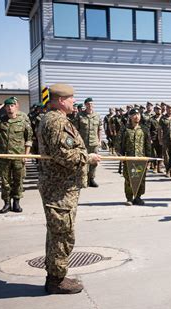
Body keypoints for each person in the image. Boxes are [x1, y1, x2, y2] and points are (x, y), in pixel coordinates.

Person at [37, 83, 101, 294]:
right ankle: (56, 280)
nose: (74, 102)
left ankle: (56, 275)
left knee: (58, 232)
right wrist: (88, 158)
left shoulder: (54, 119)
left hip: (59, 186)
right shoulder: (56, 122)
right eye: (71, 99)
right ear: (61, 101)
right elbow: (63, 154)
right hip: (60, 188)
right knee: (62, 234)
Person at [0, 97, 33, 213]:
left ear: (16, 106)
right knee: (5, 182)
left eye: (12, 106)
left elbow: (29, 139)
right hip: (4, 158)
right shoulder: (0, 121)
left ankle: (16, 203)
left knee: (18, 181)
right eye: (7, 106)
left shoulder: (23, 122)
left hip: (18, 157)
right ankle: (6, 203)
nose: (9, 108)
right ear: (5, 108)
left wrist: (26, 156)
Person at [118, 108, 152, 205]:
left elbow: (148, 144)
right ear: (130, 117)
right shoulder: (125, 129)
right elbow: (119, 143)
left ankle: (138, 197)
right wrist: (120, 156)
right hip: (129, 158)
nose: (136, 117)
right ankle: (129, 198)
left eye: (138, 115)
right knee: (129, 178)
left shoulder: (144, 129)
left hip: (141, 158)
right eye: (134, 115)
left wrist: (148, 158)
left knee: (140, 178)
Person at [76, 97, 102, 187]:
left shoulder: (97, 116)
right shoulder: (80, 115)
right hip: (83, 143)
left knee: (94, 162)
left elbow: (99, 129)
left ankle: (91, 179)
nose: (90, 105)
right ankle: (83, 179)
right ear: (85, 105)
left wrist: (99, 140)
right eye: (88, 104)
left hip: (94, 143)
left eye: (91, 104)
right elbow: (76, 130)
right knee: (83, 161)